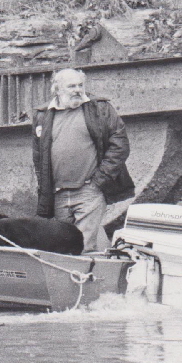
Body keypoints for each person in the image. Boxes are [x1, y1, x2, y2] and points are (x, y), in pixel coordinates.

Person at [31, 68, 134, 252]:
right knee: (62, 247)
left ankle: (83, 278)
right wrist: (46, 190)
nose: (77, 90)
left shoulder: (100, 108)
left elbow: (120, 146)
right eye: (71, 86)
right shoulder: (42, 115)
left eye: (80, 85)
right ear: (57, 89)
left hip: (88, 192)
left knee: (83, 247)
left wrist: (98, 181)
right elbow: (39, 158)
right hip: (59, 194)